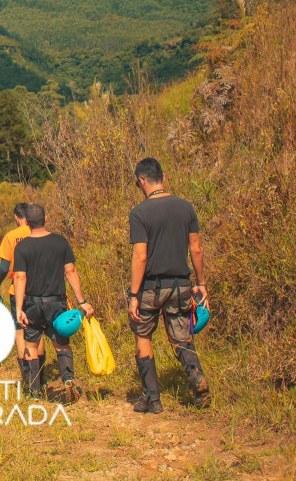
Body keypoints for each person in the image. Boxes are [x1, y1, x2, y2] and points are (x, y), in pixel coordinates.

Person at [127, 158, 211, 414]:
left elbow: (140, 256)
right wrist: (201, 283)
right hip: (181, 285)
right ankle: (195, 376)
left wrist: (134, 294)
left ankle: (152, 398)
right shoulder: (186, 207)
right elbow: (196, 249)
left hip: (151, 287)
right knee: (180, 336)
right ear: (163, 177)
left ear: (142, 181)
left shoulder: (139, 213)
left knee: (143, 335)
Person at [13, 204, 94, 404]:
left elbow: (20, 278)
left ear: (27, 223)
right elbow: (71, 271)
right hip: (57, 303)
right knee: (62, 344)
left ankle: (34, 391)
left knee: (31, 346)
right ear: (46, 219)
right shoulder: (60, 242)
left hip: (33, 304)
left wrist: (19, 309)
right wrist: (82, 302)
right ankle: (67, 379)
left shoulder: (22, 247)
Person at [0, 203, 41, 373]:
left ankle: (26, 373)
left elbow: (4, 268)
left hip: (17, 288)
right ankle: (40, 372)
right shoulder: (38, 232)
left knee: (19, 330)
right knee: (37, 327)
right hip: (39, 287)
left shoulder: (11, 236)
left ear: (16, 217)